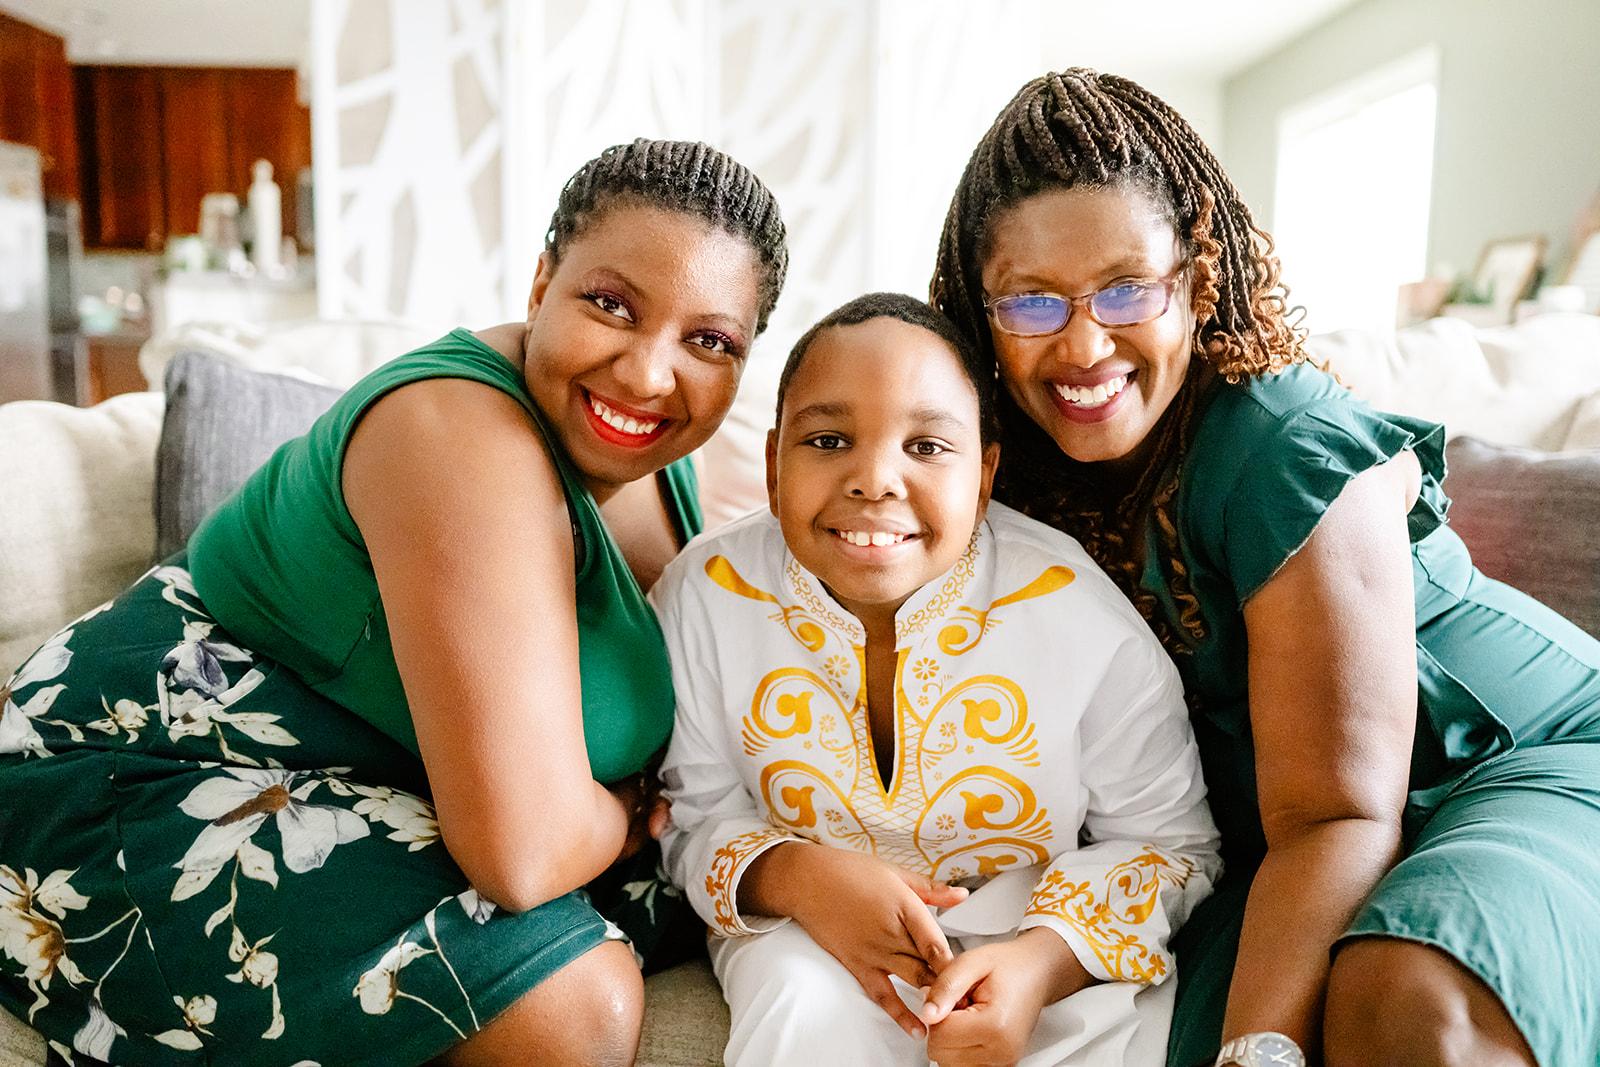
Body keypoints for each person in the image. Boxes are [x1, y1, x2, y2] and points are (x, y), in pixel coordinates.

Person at [0, 138, 787, 1067]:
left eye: (709, 341)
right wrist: (623, 808)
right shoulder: (457, 434)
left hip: (386, 790)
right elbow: (523, 855)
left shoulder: (663, 459)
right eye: (611, 304)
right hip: (146, 770)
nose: (648, 373)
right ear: (540, 285)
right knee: (570, 1008)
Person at [929, 68, 1600, 1067]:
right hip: (1280, 839)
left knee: (1406, 1001)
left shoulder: (1284, 442)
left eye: (1124, 287)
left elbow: (1333, 809)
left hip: (1506, 767)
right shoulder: (1006, 474)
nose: (1082, 342)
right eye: (1029, 301)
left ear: (1197, 274)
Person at [653, 291, 1221, 1067]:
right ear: (773, 465)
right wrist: (799, 878)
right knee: (797, 1005)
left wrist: (1038, 965)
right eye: (826, 439)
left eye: (926, 447)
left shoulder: (1076, 613)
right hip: (807, 930)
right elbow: (694, 813)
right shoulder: (705, 593)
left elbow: (1171, 841)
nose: (874, 480)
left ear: (985, 474)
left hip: (1046, 942)